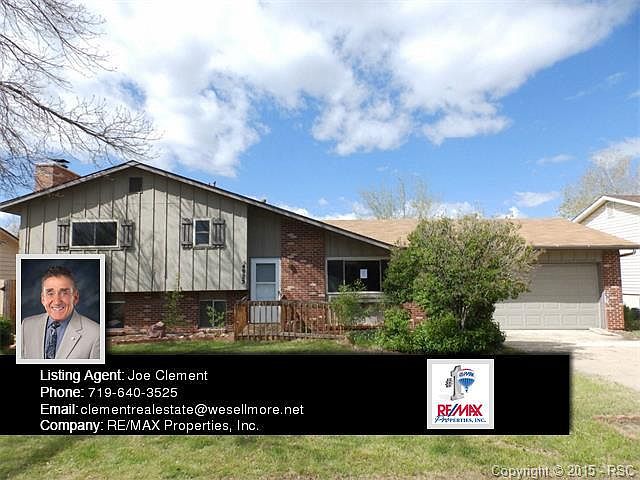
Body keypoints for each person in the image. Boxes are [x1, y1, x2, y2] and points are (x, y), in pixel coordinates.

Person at [22, 266, 100, 360]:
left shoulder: (96, 334)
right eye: (50, 293)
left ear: (75, 298)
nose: (57, 302)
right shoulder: (26, 326)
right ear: (43, 299)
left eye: (64, 293)